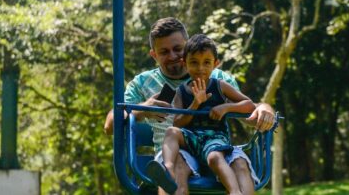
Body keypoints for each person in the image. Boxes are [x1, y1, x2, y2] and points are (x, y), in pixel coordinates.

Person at [104, 17, 275, 195]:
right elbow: (110, 126)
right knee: (176, 166)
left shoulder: (216, 79)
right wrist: (143, 109)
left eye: (178, 49)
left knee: (240, 164)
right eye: (164, 52)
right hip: (178, 150)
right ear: (154, 55)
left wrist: (264, 108)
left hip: (216, 149)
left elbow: (247, 111)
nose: (172, 56)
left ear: (187, 48)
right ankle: (168, 176)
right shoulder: (142, 83)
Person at [154, 34, 256, 195]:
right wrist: (195, 103)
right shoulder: (181, 91)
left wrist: (226, 107)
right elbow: (178, 123)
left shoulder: (220, 86)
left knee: (215, 157)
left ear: (215, 64)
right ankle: (168, 169)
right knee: (171, 132)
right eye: (194, 62)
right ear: (185, 64)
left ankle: (235, 191)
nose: (200, 68)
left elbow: (249, 105)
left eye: (206, 63)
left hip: (214, 137)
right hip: (192, 138)